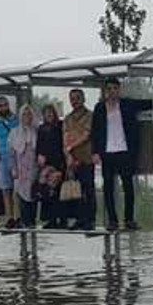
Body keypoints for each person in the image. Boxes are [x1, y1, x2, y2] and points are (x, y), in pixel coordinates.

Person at [91, 77, 142, 231]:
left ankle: (129, 219)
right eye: (109, 89)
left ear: (119, 90)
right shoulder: (100, 108)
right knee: (108, 187)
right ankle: (112, 220)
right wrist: (95, 152)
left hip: (124, 151)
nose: (112, 92)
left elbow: (147, 104)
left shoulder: (127, 104)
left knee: (128, 186)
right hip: (107, 153)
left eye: (115, 88)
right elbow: (95, 131)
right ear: (106, 91)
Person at [62, 88, 95, 230]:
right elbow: (65, 138)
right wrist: (68, 155)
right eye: (72, 98)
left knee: (89, 189)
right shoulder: (67, 118)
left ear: (83, 99)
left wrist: (71, 146)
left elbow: (86, 135)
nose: (74, 101)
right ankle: (79, 219)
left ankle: (90, 220)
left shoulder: (90, 116)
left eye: (77, 98)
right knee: (76, 191)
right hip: (72, 161)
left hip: (86, 158)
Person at [0, 96, 21, 228]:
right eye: (1, 106)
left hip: (17, 158)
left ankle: (19, 216)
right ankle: (9, 217)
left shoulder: (16, 120)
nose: (4, 107)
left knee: (18, 189)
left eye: (5, 105)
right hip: (3, 158)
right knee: (6, 189)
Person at [36, 103, 67, 229]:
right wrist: (39, 156)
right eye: (46, 112)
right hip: (47, 164)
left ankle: (63, 220)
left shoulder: (61, 125)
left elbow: (65, 142)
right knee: (48, 193)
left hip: (60, 163)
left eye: (51, 112)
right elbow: (39, 146)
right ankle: (51, 220)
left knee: (60, 192)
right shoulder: (42, 128)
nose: (49, 114)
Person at [8, 104, 40, 228]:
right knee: (21, 195)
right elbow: (11, 154)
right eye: (24, 114)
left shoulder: (36, 131)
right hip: (20, 169)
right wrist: (14, 169)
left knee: (33, 194)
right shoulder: (14, 132)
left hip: (34, 168)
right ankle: (24, 222)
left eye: (29, 114)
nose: (27, 116)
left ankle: (32, 223)